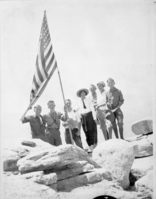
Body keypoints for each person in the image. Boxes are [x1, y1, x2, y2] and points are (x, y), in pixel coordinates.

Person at [77, 88, 97, 153]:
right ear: (80, 95)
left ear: (85, 94)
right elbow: (77, 109)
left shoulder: (89, 100)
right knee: (86, 132)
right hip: (83, 117)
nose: (82, 94)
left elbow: (92, 109)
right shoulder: (78, 102)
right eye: (81, 93)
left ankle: (94, 146)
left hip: (89, 115)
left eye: (84, 93)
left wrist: (94, 118)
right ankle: (90, 146)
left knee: (92, 131)